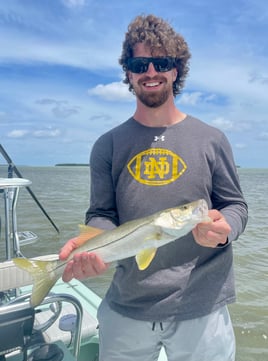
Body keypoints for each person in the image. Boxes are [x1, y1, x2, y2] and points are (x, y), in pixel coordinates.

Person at [59, 14, 248, 361]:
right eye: (139, 63)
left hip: (203, 306)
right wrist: (90, 246)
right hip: (126, 304)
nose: (150, 72)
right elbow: (101, 213)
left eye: (160, 62)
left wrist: (226, 230)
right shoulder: (107, 144)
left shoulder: (212, 139)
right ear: (128, 73)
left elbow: (236, 205)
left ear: (175, 70)